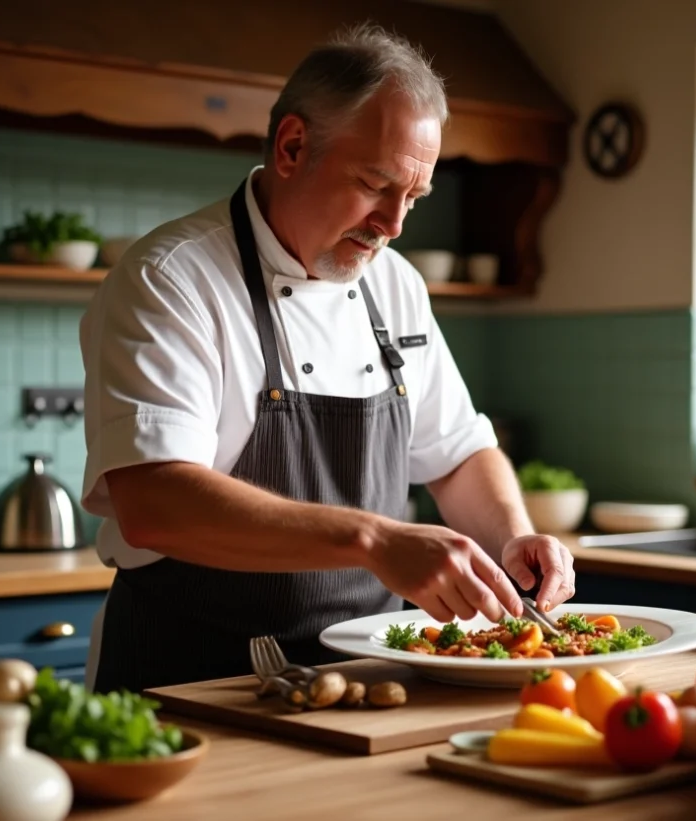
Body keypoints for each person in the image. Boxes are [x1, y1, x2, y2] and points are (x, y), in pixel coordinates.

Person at [79, 22, 576, 693]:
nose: (394, 224)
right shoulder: (171, 277)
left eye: (413, 197)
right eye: (375, 185)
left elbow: (456, 451)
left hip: (370, 679)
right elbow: (154, 502)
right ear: (291, 146)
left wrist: (513, 537)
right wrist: (375, 539)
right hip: (195, 683)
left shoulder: (393, 282)